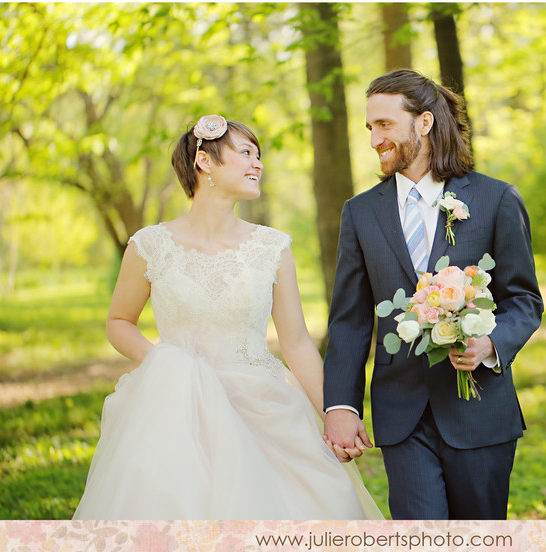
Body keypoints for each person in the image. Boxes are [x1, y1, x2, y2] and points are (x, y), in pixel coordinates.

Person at [73, 115, 381, 520]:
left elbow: (297, 343)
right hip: (176, 408)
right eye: (246, 153)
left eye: (259, 156)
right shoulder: (150, 245)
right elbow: (119, 322)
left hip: (263, 403)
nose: (258, 164)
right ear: (204, 162)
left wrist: (334, 412)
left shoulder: (272, 247)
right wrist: (167, 367)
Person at [322, 70, 543, 520]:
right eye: (370, 128)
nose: (373, 140)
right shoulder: (360, 213)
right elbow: (349, 321)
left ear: (424, 123)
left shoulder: (495, 199)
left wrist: (492, 344)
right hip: (401, 414)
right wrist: (341, 406)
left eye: (384, 124)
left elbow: (524, 299)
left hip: (480, 409)